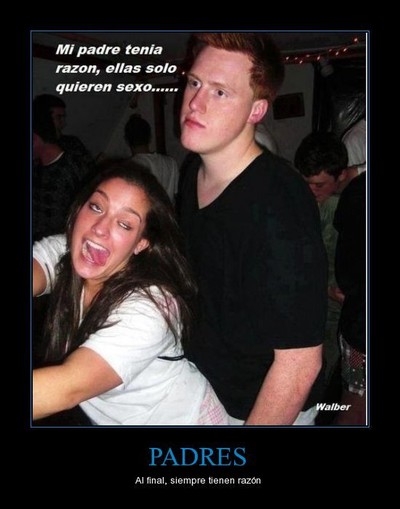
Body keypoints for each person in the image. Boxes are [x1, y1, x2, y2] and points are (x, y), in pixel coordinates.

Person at [178, 33, 328, 425]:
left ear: (256, 110)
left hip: (261, 409)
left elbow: (299, 364)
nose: (195, 102)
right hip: (206, 391)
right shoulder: (193, 171)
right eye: (194, 83)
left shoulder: (279, 203)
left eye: (220, 92)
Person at [32, 160, 229, 425]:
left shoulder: (152, 307)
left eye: (124, 224)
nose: (99, 228)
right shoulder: (68, 251)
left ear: (141, 243)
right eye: (96, 207)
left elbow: (67, 388)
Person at [294, 132, 349, 392]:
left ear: (341, 176)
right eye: (307, 183)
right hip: (323, 303)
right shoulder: (312, 203)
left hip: (336, 308)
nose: (311, 191)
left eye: (319, 185)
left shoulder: (337, 205)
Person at [333, 172, 366, 425]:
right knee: (355, 407)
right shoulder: (359, 191)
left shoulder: (359, 188)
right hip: (360, 330)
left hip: (357, 321)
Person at [33, 94, 94, 180]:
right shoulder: (36, 146)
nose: (63, 123)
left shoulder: (72, 143)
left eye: (63, 117)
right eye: (59, 117)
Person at [124, 114, 179, 203]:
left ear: (127, 140)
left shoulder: (129, 168)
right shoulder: (171, 163)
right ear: (150, 137)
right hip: (169, 211)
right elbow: (177, 194)